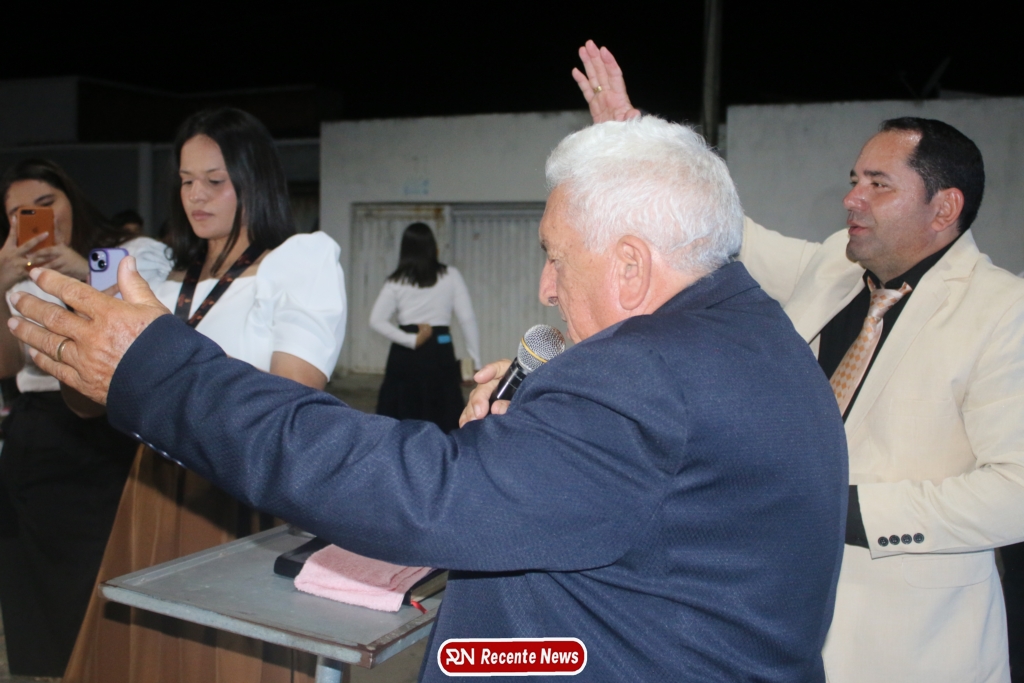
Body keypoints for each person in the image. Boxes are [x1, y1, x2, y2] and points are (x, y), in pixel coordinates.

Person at [9, 116, 848, 682]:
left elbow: (414, 491)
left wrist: (158, 371)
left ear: (631, 265)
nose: (546, 286)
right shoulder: (752, 333)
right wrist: (530, 442)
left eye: (556, 256)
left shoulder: (649, 376)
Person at [573, 40, 1024, 683]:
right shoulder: (836, 266)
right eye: (854, 180)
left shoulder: (1003, 310)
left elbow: (1015, 491)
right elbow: (724, 232)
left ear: (944, 208)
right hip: (782, 619)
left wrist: (846, 510)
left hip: (912, 644)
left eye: (878, 185)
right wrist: (632, 138)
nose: (852, 198)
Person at [61, 108, 347, 683]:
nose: (196, 195)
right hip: (153, 486)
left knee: (234, 654)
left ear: (253, 180)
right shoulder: (155, 276)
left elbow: (290, 397)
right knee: (150, 656)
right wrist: (83, 327)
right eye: (186, 180)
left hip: (243, 482)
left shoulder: (295, 263)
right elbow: (85, 402)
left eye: (215, 181)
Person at [0, 159, 172, 676]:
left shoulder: (126, 252)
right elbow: (7, 365)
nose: (36, 219)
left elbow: (153, 325)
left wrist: (84, 269)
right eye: (18, 213)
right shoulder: (15, 271)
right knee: (38, 585)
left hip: (112, 422)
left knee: (113, 571)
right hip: (40, 427)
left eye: (46, 204)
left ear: (72, 198)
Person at [370, 222, 480, 432]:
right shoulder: (450, 275)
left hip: (404, 353)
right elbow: (467, 319)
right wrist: (476, 361)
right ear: (433, 247)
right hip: (440, 347)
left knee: (400, 421)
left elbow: (376, 320)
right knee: (444, 418)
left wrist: (411, 340)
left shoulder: (396, 281)